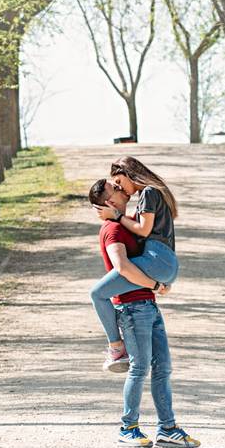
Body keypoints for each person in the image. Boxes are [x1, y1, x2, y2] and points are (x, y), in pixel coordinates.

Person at [93, 180, 199, 448]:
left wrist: (157, 282)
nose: (122, 189)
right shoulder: (113, 229)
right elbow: (122, 267)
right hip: (130, 309)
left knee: (163, 368)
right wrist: (154, 284)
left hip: (148, 305)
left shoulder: (125, 222)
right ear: (109, 202)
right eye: (115, 188)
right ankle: (127, 428)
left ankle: (167, 428)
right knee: (139, 369)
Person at [89, 156, 180, 370]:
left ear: (129, 172)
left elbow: (143, 231)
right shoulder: (149, 195)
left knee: (97, 293)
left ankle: (116, 347)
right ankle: (118, 348)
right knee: (158, 368)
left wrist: (117, 215)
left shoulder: (148, 192)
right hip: (163, 262)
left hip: (158, 261)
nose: (122, 189)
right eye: (116, 187)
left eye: (120, 182)